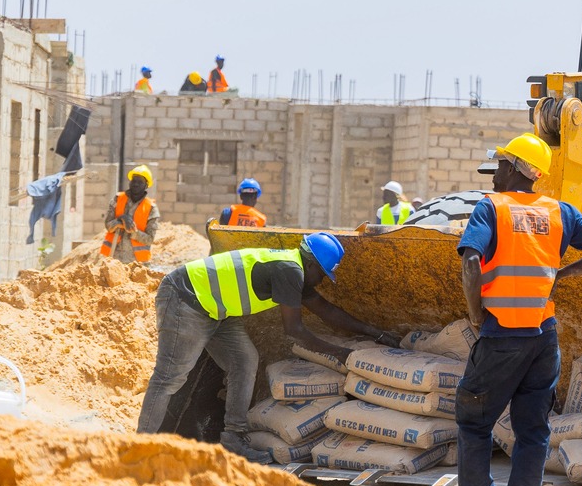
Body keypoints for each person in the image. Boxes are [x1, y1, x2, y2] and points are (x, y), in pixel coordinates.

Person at [451, 133, 582, 486]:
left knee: (474, 424)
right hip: (543, 338)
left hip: (499, 335)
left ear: (513, 168)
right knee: (533, 431)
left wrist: (475, 315)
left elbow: (471, 260)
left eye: (500, 166)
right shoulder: (560, 212)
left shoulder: (491, 208)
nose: (494, 174)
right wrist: (559, 277)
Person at [136, 232, 388, 459]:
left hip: (219, 310)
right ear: (311, 264)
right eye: (322, 274)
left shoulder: (296, 271)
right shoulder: (290, 271)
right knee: (170, 377)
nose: (321, 281)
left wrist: (374, 332)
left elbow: (326, 310)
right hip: (186, 298)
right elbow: (295, 331)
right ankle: (139, 448)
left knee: (244, 362)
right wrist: (341, 354)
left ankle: (233, 438)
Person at [101, 165, 160, 264]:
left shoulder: (151, 208)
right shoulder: (118, 199)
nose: (135, 184)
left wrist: (133, 231)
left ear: (146, 186)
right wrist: (120, 220)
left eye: (140, 182)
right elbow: (108, 225)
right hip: (115, 260)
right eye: (134, 180)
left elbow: (150, 239)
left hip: (138, 264)